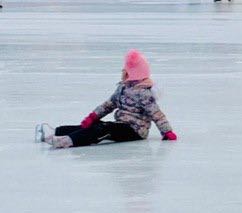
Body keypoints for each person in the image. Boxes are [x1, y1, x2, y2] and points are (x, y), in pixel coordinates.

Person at [36, 50, 177, 148]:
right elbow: (109, 104)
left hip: (135, 131)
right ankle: (56, 132)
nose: (123, 72)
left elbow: (157, 114)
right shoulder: (123, 88)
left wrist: (167, 131)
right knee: (95, 126)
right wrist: (93, 117)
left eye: (125, 70)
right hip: (121, 124)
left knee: (103, 129)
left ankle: (67, 141)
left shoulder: (144, 92)